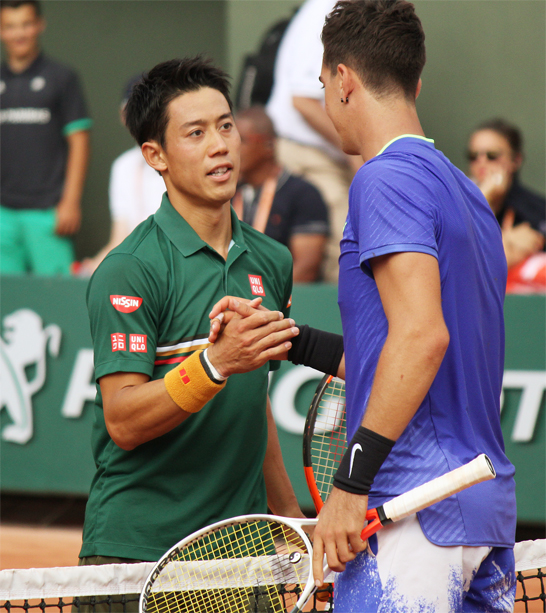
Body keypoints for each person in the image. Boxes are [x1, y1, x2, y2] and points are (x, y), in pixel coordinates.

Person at [306, 1, 515, 611]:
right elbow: (409, 347)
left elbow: (422, 339)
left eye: (322, 85)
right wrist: (295, 343)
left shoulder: (383, 178)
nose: (325, 99)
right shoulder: (470, 196)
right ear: (414, 82)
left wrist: (350, 485)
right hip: (481, 510)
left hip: (411, 510)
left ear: (343, 79)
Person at [80, 56, 304, 588]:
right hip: (136, 556)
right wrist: (214, 362)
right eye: (196, 132)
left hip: (244, 557)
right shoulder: (130, 270)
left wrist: (290, 520)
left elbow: (254, 405)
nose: (220, 144)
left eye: (225, 126)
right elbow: (125, 421)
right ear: (154, 155)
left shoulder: (272, 261)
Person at [266, 0, 362, 283]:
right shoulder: (327, 9)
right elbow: (304, 101)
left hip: (324, 153)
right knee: (345, 243)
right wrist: (357, 156)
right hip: (304, 151)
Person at [0, 0, 91, 276]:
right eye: (10, 26)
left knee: (56, 300)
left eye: (26, 24)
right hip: (1, 213)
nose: (19, 33)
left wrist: (71, 201)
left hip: (48, 212)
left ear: (40, 25)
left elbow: (79, 141)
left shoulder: (62, 78)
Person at [79, 76, 166, 275]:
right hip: (136, 266)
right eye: (132, 111)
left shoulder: (180, 157)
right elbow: (119, 238)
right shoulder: (122, 166)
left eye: (148, 110)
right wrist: (92, 266)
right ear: (122, 116)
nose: (140, 118)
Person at [234, 106, 329, 282]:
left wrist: (264, 303)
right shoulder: (229, 194)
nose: (232, 148)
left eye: (242, 140)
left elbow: (306, 268)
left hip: (280, 304)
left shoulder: (303, 194)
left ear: (269, 144)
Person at [467, 118, 545, 268]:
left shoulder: (534, 209)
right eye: (473, 156)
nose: (481, 162)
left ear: (516, 160)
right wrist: (484, 196)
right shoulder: (459, 198)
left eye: (492, 155)